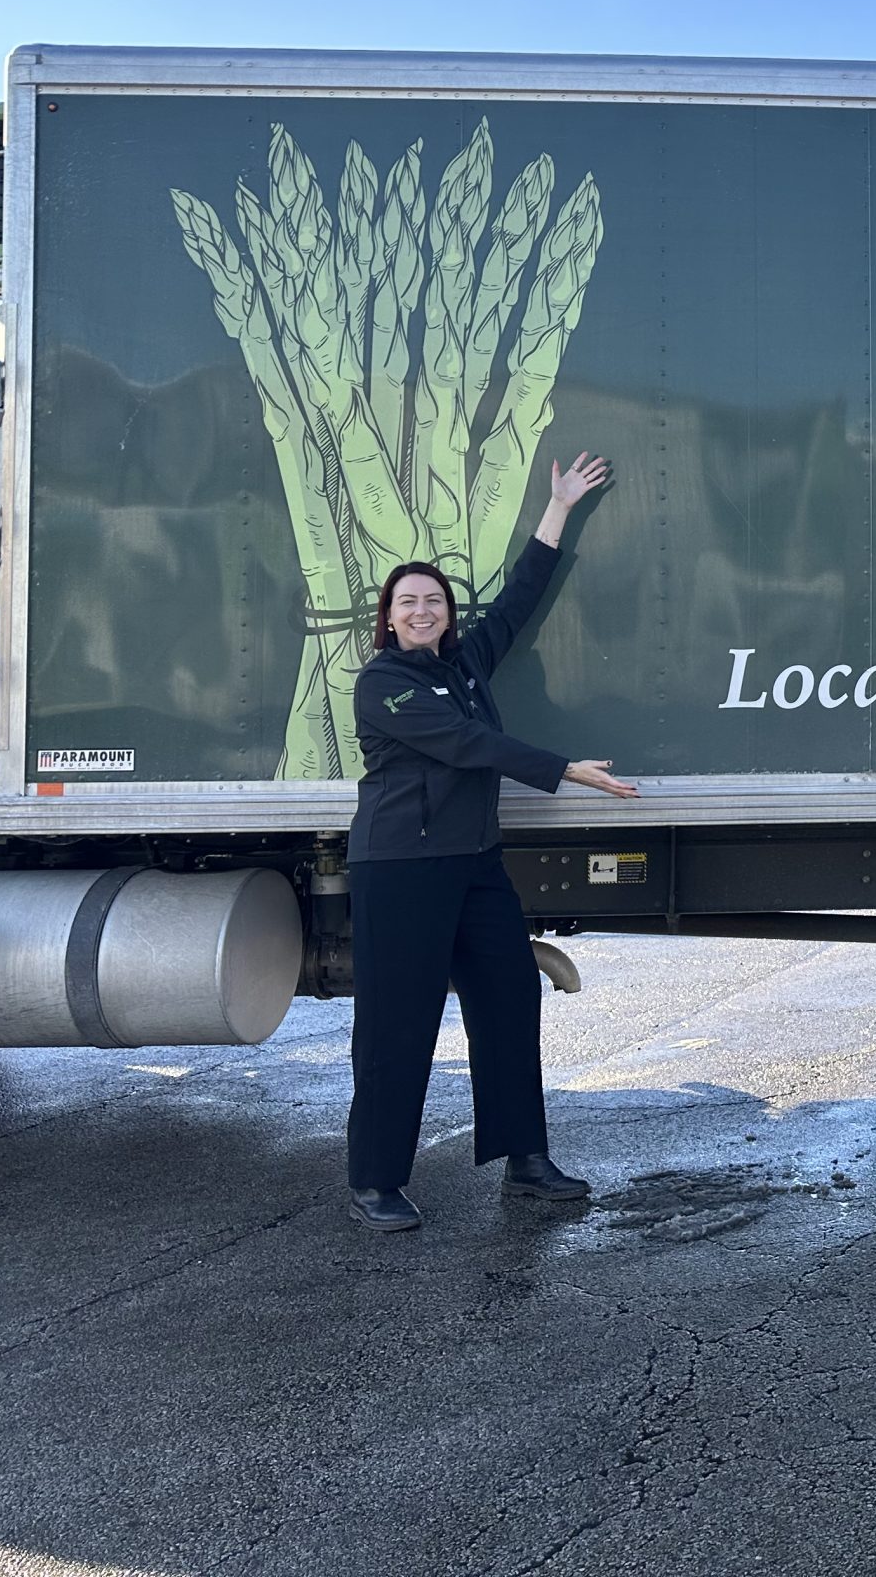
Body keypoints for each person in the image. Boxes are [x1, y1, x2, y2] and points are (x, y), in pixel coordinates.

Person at [343, 452, 639, 1232]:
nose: (421, 611)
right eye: (407, 602)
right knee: (396, 1023)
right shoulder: (383, 684)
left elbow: (516, 601)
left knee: (509, 999)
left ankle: (527, 1160)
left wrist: (559, 508)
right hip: (400, 871)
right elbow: (464, 745)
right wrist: (564, 769)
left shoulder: (465, 665)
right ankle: (375, 1180)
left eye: (433, 601)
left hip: (474, 866)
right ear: (388, 616)